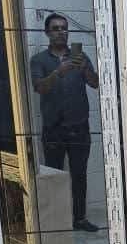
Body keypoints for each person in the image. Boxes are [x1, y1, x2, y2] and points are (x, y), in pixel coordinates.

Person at [30, 12, 100, 232]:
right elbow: (40, 87)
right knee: (54, 177)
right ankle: (57, 223)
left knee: (80, 175)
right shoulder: (39, 60)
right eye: (56, 29)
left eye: (64, 28)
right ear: (47, 33)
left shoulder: (80, 57)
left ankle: (79, 219)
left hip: (79, 127)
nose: (61, 32)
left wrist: (85, 69)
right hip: (53, 129)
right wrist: (58, 72)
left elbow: (95, 83)